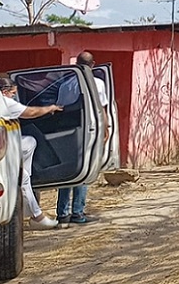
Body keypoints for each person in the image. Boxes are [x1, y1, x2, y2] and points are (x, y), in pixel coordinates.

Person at [0, 78, 63, 230]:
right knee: (23, 177)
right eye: (12, 93)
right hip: (3, 149)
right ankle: (36, 217)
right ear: (4, 92)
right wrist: (50, 108)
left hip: (4, 147)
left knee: (30, 142)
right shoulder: (5, 101)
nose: (13, 96)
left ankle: (34, 213)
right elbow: (30, 112)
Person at [55, 51, 108, 228]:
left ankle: (62, 214)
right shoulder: (97, 83)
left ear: (77, 63)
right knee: (84, 171)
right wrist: (106, 128)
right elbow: (102, 109)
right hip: (88, 131)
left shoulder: (65, 85)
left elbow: (60, 110)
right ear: (93, 64)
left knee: (67, 172)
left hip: (67, 131)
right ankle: (77, 212)